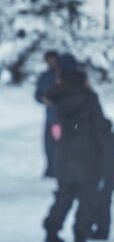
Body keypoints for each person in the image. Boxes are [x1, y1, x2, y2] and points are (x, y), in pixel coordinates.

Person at [42, 54, 109, 242]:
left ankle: (52, 229)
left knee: (65, 194)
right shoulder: (88, 97)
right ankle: (81, 233)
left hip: (65, 150)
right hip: (87, 151)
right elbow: (99, 124)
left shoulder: (56, 96)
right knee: (87, 194)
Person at [91, 119, 114, 240]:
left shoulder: (103, 139)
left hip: (105, 174)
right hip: (108, 174)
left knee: (100, 202)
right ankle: (101, 229)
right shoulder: (111, 138)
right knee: (103, 203)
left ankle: (100, 230)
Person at [34, 50, 60, 178]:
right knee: (48, 144)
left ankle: (59, 169)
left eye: (53, 59)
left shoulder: (62, 75)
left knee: (60, 143)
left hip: (61, 117)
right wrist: (42, 99)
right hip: (50, 117)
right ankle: (51, 168)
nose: (51, 62)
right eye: (49, 60)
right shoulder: (44, 76)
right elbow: (37, 94)